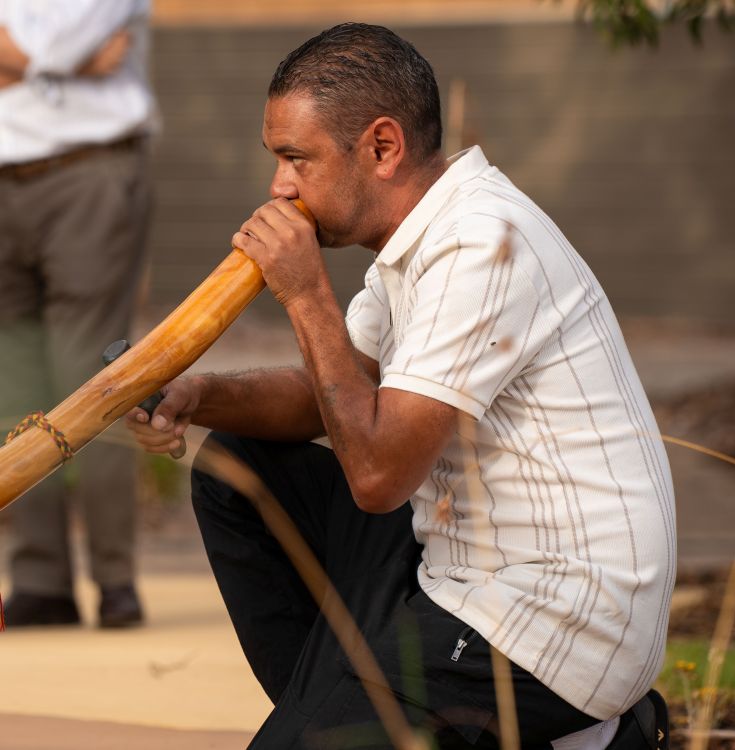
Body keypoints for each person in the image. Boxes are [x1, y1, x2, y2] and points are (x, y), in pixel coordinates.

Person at [127, 23, 675, 749]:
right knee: (237, 465)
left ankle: (586, 735)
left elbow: (379, 475)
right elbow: (337, 392)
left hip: (555, 621)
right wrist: (194, 396)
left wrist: (305, 295)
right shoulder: (415, 243)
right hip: (455, 565)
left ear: (382, 147)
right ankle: (336, 708)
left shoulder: (480, 244)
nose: (278, 187)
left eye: (296, 158)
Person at [0, 0, 157, 628]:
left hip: (88, 174)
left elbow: (66, 37)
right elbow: (68, 52)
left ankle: (115, 576)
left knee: (92, 377)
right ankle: (39, 579)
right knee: (10, 383)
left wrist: (26, 60)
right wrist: (68, 64)